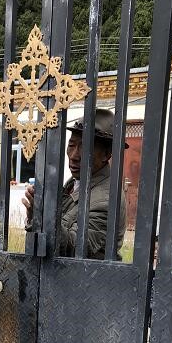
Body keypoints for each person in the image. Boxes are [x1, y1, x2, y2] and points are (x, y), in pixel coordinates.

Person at [22, 108, 127, 260]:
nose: (73, 156)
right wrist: (35, 216)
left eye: (85, 147)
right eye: (71, 145)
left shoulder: (106, 200)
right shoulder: (76, 182)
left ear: (106, 154)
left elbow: (74, 247)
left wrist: (46, 214)